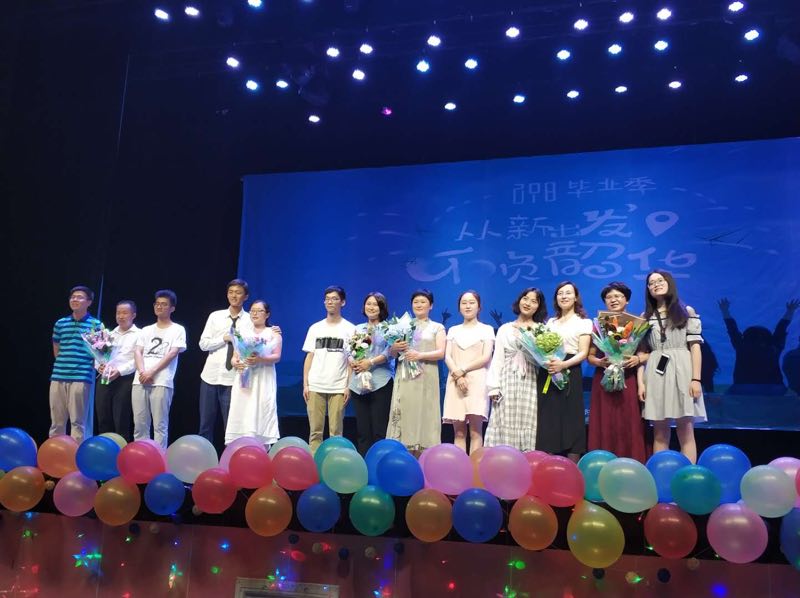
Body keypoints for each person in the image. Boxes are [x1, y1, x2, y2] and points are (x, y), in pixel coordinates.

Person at [637, 270, 706, 463]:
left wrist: (696, 379)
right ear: (648, 289)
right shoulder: (645, 316)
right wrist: (641, 383)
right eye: (651, 283)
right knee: (660, 432)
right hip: (656, 372)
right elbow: (641, 352)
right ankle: (661, 474)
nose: (656, 284)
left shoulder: (686, 311)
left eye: (660, 280)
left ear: (669, 283)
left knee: (686, 429)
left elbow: (695, 348)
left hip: (683, 370)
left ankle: (688, 474)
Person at [586, 282, 647, 462]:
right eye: (609, 297)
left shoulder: (637, 324)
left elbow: (646, 353)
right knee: (605, 421)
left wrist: (637, 359)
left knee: (629, 421)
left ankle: (632, 462)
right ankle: (602, 463)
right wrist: (599, 361)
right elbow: (590, 356)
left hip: (628, 378)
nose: (613, 300)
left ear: (626, 300)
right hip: (604, 378)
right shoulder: (598, 324)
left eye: (618, 296)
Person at [486, 287, 548, 451]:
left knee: (529, 419)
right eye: (525, 298)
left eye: (534, 301)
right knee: (504, 418)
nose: (528, 303)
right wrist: (494, 387)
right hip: (507, 380)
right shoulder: (505, 328)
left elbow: (546, 359)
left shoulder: (542, 330)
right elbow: (497, 358)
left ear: (539, 306)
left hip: (531, 380)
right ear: (519, 300)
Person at [536, 281, 592, 462]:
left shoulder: (584, 322)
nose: (564, 296)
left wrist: (564, 365)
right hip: (549, 371)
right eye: (560, 293)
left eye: (568, 293)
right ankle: (548, 464)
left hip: (570, 370)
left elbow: (583, 352)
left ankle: (572, 467)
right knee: (549, 418)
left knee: (572, 418)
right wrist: (547, 362)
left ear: (575, 297)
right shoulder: (550, 322)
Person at [386, 289, 446, 454]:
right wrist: (395, 347)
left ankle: (426, 452)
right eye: (416, 302)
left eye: (423, 302)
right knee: (406, 410)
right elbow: (392, 354)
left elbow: (441, 353)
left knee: (426, 411)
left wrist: (420, 355)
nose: (419, 305)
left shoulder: (437, 327)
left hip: (426, 375)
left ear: (431, 305)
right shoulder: (402, 326)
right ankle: (403, 451)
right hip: (405, 376)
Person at [302, 286, 355, 453]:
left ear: (343, 302)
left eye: (334, 299)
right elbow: (309, 356)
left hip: (338, 386)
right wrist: (306, 384)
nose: (330, 302)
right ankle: (314, 464)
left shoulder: (350, 328)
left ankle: (334, 463)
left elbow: (351, 361)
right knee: (315, 432)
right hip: (315, 384)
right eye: (327, 299)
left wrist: (348, 386)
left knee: (336, 433)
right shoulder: (315, 328)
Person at [198, 279, 252, 443]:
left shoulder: (250, 319)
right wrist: (224, 338)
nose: (234, 296)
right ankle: (204, 455)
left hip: (233, 378)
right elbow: (203, 344)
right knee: (205, 424)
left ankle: (230, 456)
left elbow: (252, 345)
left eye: (238, 293)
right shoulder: (216, 316)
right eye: (231, 292)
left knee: (231, 425)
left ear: (245, 296)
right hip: (210, 376)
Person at [132, 290, 187, 449]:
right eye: (157, 304)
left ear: (172, 308)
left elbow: (173, 353)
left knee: (160, 425)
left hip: (162, 381)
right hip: (140, 380)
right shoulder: (146, 330)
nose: (159, 307)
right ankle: (140, 456)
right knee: (140, 424)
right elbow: (137, 351)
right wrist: (143, 372)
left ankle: (159, 457)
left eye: (164, 304)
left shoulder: (178, 329)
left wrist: (152, 372)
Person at [443, 290, 495, 455]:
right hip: (455, 381)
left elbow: (486, 357)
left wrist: (462, 370)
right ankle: (460, 468)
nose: (467, 306)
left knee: (475, 431)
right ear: (459, 307)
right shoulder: (453, 330)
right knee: (458, 432)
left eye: (472, 303)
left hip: (477, 381)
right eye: (464, 303)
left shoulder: (486, 329)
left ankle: (475, 468)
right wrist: (457, 375)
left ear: (479, 307)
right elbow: (447, 356)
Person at [226, 300, 282, 446]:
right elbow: (235, 356)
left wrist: (260, 359)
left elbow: (277, 356)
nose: (255, 314)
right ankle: (240, 443)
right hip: (244, 376)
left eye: (259, 311)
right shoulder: (242, 332)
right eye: (252, 311)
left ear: (267, 314)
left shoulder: (273, 333)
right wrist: (236, 363)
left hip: (263, 377)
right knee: (242, 407)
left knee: (261, 406)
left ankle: (260, 444)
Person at [50, 285, 102, 443]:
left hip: (81, 377)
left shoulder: (95, 325)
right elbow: (56, 348)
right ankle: (55, 453)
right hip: (58, 376)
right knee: (57, 422)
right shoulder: (61, 323)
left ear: (89, 302)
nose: (75, 300)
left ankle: (76, 454)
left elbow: (99, 353)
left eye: (79, 297)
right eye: (72, 297)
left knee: (78, 422)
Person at [718, 298, 799, 395]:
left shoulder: (742, 346)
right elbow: (781, 328)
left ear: (746, 337)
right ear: (769, 337)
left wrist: (725, 311)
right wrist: (790, 311)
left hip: (742, 387)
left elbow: (732, 329)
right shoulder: (774, 347)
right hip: (774, 387)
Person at [349, 292, 394, 456]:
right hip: (358, 384)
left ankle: (379, 462)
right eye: (368, 304)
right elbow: (350, 351)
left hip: (381, 382)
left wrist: (371, 362)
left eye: (375, 304)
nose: (371, 307)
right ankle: (364, 464)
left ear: (382, 307)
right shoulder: (358, 328)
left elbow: (390, 352)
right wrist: (352, 361)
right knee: (363, 431)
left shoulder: (389, 328)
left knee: (379, 430)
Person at [94, 300, 140, 441]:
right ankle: (104, 447)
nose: (121, 316)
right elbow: (98, 354)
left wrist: (119, 371)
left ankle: (121, 449)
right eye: (118, 313)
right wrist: (99, 366)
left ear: (133, 315)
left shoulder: (140, 334)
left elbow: (138, 359)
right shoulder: (109, 334)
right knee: (103, 416)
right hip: (105, 377)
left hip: (125, 379)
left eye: (125, 313)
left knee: (121, 418)